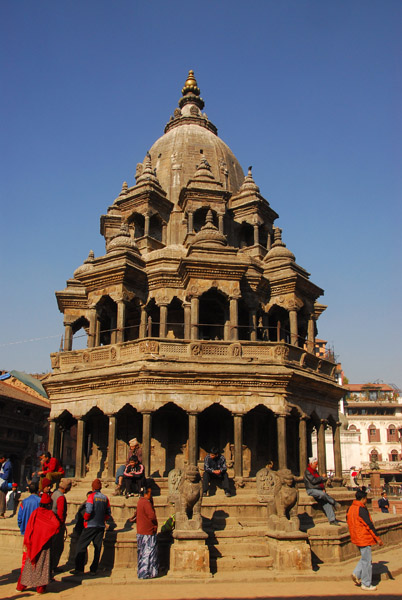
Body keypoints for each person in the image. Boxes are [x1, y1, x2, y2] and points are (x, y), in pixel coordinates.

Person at [16, 491, 60, 594]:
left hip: (33, 543)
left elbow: (29, 527)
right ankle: (40, 588)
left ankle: (21, 586)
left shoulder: (35, 512)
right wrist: (47, 533)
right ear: (49, 504)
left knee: (29, 564)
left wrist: (28, 541)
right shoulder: (50, 514)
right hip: (44, 544)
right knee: (43, 566)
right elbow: (56, 526)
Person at [72, 478, 111, 575]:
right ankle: (93, 569)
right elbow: (108, 513)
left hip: (90, 525)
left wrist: (86, 519)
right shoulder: (105, 498)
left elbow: (88, 510)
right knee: (97, 548)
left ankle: (79, 568)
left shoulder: (91, 497)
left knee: (81, 545)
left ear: (93, 488)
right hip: (101, 525)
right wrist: (103, 519)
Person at [347, 488, 384, 591]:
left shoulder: (350, 508)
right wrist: (377, 538)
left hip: (356, 536)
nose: (366, 500)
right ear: (363, 499)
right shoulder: (361, 509)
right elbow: (369, 525)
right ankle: (366, 583)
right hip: (363, 537)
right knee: (367, 561)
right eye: (366, 499)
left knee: (364, 557)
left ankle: (356, 573)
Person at [304, 457, 340, 525]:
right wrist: (321, 477)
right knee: (322, 495)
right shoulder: (308, 471)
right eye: (316, 464)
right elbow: (313, 481)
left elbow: (319, 482)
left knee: (326, 503)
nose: (316, 466)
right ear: (311, 464)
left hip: (317, 490)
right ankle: (333, 502)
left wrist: (323, 488)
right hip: (311, 490)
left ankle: (332, 520)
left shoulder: (315, 472)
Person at [136, 485, 158, 579]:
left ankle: (142, 572)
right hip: (147, 531)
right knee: (148, 553)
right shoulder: (146, 503)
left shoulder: (140, 502)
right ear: (145, 493)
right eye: (149, 493)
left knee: (142, 552)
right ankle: (146, 573)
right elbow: (152, 516)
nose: (150, 495)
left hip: (141, 531)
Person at [50, 478, 72, 573]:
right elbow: (61, 513)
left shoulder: (54, 494)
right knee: (58, 547)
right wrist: (61, 524)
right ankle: (52, 566)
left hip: (51, 523)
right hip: (57, 524)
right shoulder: (61, 497)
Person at [0, 453, 13, 518]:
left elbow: (6, 476)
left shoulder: (8, 465)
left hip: (4, 484)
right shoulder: (5, 464)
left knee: (2, 498)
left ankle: (1, 513)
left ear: (3, 459)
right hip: (3, 483)